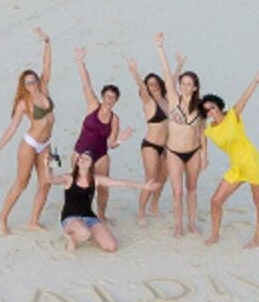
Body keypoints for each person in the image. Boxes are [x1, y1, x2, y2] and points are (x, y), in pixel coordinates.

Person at [0, 27, 58, 234]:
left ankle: (33, 221)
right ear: (23, 86)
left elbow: (47, 64)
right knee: (22, 182)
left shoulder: (45, 89)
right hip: (30, 144)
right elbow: (13, 127)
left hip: (46, 145)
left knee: (46, 183)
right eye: (28, 83)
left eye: (34, 80)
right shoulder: (24, 103)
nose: (32, 84)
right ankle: (2, 217)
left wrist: (47, 41)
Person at [201, 68, 259, 248]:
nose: (211, 111)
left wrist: (256, 79)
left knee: (258, 200)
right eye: (207, 110)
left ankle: (258, 238)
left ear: (219, 106)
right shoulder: (209, 129)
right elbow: (202, 138)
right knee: (216, 200)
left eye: (212, 107)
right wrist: (204, 155)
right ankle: (215, 235)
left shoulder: (233, 115)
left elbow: (245, 97)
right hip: (236, 167)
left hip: (251, 162)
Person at [155, 34, 208, 237]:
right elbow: (167, 73)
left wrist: (204, 155)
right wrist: (160, 47)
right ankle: (178, 226)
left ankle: (192, 224)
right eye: (183, 83)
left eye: (189, 84)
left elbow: (203, 133)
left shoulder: (200, 107)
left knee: (192, 188)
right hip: (174, 152)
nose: (185, 86)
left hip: (193, 152)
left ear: (195, 87)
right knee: (177, 192)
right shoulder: (174, 100)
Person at [45, 151, 147, 254]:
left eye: (87, 159)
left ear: (91, 164)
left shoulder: (96, 179)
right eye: (81, 158)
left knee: (112, 247)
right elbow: (50, 180)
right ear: (77, 161)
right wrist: (48, 166)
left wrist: (144, 186)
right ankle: (72, 238)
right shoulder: (69, 178)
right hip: (71, 217)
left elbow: (120, 183)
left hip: (90, 218)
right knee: (85, 233)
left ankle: (89, 234)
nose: (83, 160)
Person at [72, 48, 128, 218]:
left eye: (113, 98)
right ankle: (78, 213)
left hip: (101, 154)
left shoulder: (115, 119)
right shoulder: (93, 106)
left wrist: (120, 140)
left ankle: (101, 215)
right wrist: (81, 61)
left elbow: (111, 143)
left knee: (103, 187)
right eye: (108, 96)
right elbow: (85, 83)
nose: (110, 100)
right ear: (103, 96)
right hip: (81, 151)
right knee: (78, 184)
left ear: (116, 100)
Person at [123, 54, 174, 223]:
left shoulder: (167, 100)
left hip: (166, 146)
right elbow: (141, 86)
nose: (152, 86)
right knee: (150, 179)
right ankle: (141, 212)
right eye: (149, 84)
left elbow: (171, 83)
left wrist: (179, 65)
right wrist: (134, 71)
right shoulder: (148, 102)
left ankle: (155, 205)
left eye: (154, 83)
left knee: (163, 178)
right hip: (151, 145)